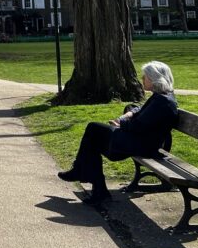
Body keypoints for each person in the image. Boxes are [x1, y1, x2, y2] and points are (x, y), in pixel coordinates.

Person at [57, 61, 178, 205]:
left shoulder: (162, 102)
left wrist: (121, 124)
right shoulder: (162, 97)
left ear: (155, 79)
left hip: (143, 146)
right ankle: (93, 185)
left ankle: (85, 177)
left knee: (93, 130)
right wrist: (130, 113)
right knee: (93, 139)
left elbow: (138, 126)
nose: (142, 79)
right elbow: (140, 110)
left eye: (145, 77)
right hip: (142, 141)